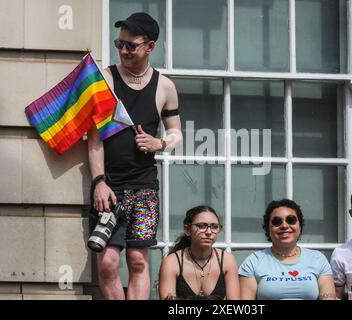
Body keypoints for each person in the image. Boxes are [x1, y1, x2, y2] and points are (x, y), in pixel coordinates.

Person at [87, 12, 182, 300]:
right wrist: (99, 181)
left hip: (144, 188)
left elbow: (177, 133)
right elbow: (94, 139)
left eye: (131, 45)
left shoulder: (165, 87)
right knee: (108, 262)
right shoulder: (105, 79)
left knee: (138, 261)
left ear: (150, 46)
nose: (124, 50)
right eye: (120, 44)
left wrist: (160, 143)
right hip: (110, 187)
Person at [239, 199, 336, 300]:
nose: (284, 226)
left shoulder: (317, 259)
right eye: (277, 221)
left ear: (300, 226)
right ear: (268, 228)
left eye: (291, 220)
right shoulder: (253, 262)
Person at [158, 206, 240, 300]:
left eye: (214, 227)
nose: (209, 232)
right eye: (201, 226)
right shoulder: (172, 262)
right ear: (187, 230)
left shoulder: (227, 260)